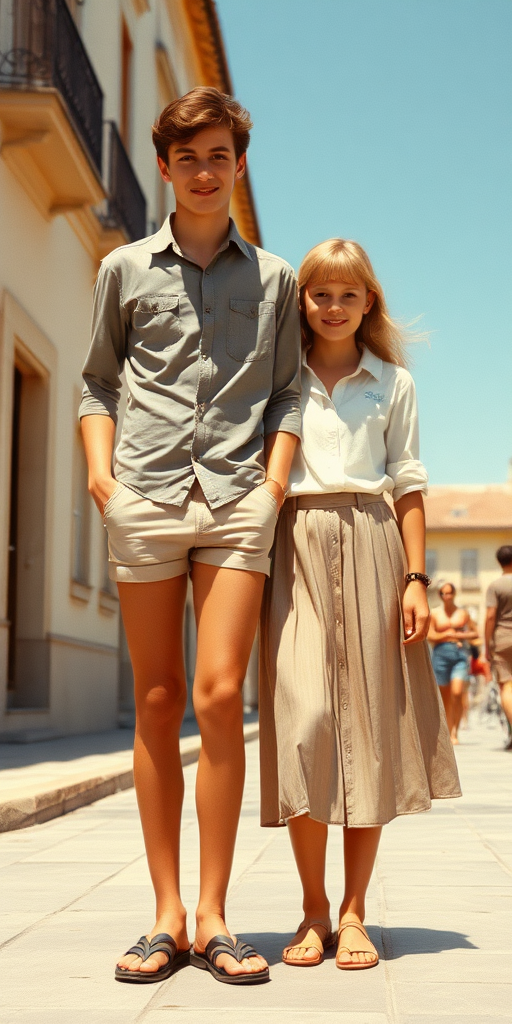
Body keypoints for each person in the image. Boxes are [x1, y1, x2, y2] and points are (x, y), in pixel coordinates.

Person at [79, 87, 301, 985]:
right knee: (159, 698)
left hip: (240, 500)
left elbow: (287, 392)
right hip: (147, 495)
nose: (205, 172)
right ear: (165, 167)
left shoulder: (276, 278)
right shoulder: (124, 271)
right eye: (189, 157)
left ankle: (215, 914)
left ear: (238, 165)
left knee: (219, 698)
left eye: (220, 156)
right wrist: (103, 478)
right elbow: (96, 383)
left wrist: (274, 484)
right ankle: (164, 912)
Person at [259, 238, 461, 972]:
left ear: (368, 301)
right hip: (296, 547)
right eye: (320, 294)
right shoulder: (279, 374)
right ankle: (310, 905)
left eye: (348, 294)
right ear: (301, 301)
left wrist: (415, 577)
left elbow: (408, 483)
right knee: (306, 719)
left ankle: (351, 913)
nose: (334, 306)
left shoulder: (393, 383)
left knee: (369, 736)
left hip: (375, 544)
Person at [428, 584, 479, 744]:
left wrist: (459, 636)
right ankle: (448, 730)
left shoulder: (462, 613)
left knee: (457, 693)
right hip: (441, 654)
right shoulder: (435, 613)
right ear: (440, 595)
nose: (446, 596)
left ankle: (455, 731)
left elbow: (475, 633)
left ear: (454, 594)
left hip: (459, 655)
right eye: (443, 593)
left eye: (449, 593)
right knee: (445, 696)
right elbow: (430, 636)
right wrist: (446, 634)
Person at [485, 545, 512, 749]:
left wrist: (487, 644)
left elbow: (490, 616)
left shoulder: (495, 586)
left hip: (502, 640)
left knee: (507, 687)